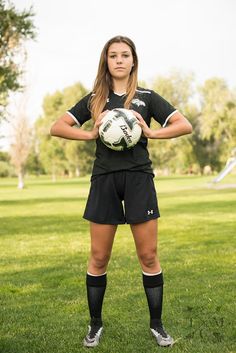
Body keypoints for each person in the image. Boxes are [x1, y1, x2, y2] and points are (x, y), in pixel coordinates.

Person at [50, 35, 192, 348]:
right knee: (99, 257)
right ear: (106, 61)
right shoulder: (94, 100)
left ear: (133, 61)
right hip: (104, 179)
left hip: (139, 177)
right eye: (113, 55)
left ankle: (157, 325)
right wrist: (90, 134)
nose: (118, 60)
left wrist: (153, 131)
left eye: (124, 55)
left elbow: (185, 125)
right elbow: (57, 126)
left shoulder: (146, 96)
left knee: (148, 254)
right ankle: (95, 325)